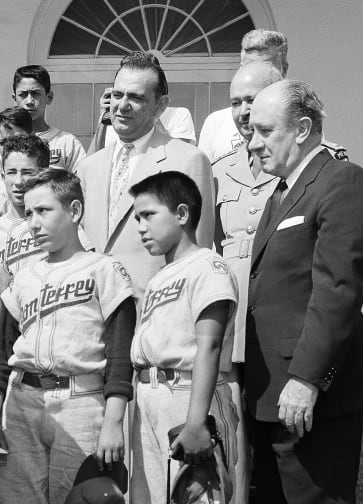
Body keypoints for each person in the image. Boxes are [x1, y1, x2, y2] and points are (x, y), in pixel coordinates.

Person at [245, 80, 363, 504]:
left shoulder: (342, 181)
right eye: (251, 131)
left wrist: (306, 379)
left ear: (302, 129)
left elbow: (338, 290)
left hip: (308, 398)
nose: (254, 143)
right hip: (268, 396)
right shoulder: (279, 195)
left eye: (265, 131)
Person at [0, 168, 136, 504]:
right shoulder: (23, 277)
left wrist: (113, 421)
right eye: (29, 212)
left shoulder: (104, 269)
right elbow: (1, 353)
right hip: (21, 402)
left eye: (44, 211)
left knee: (83, 498)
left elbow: (121, 355)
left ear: (74, 211)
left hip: (81, 401)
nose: (33, 222)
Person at [127, 171, 240, 504]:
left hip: (190, 394)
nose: (140, 226)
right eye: (137, 218)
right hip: (150, 396)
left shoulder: (208, 266)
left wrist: (195, 423)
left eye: (149, 214)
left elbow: (210, 344)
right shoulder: (159, 277)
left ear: (181, 214)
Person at [77, 51, 214, 294]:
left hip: (155, 311)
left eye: (136, 97)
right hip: (95, 309)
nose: (122, 105)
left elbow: (196, 253)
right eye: (117, 95)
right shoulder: (90, 166)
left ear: (160, 106)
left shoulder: (187, 160)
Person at [0, 134, 50, 302]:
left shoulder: (59, 223)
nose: (18, 181)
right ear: (2, 177)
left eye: (27, 172)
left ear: (44, 174)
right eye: (11, 172)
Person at [198, 30, 290, 162]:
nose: (255, 73)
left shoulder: (297, 125)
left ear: (284, 70)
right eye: (249, 66)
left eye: (265, 66)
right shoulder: (215, 123)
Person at [0, 66, 86, 175]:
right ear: (14, 99)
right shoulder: (2, 140)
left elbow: (83, 180)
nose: (29, 101)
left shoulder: (67, 142)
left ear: (49, 97)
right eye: (23, 95)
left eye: (35, 94)